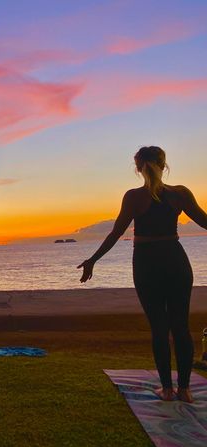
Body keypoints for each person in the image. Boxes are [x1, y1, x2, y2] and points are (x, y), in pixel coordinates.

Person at [78, 146, 207, 403]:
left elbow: (116, 233)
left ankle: (167, 391)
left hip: (147, 263)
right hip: (176, 260)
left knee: (159, 327)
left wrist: (92, 260)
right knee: (180, 326)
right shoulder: (180, 194)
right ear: (164, 164)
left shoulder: (134, 197)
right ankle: (185, 390)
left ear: (138, 168)